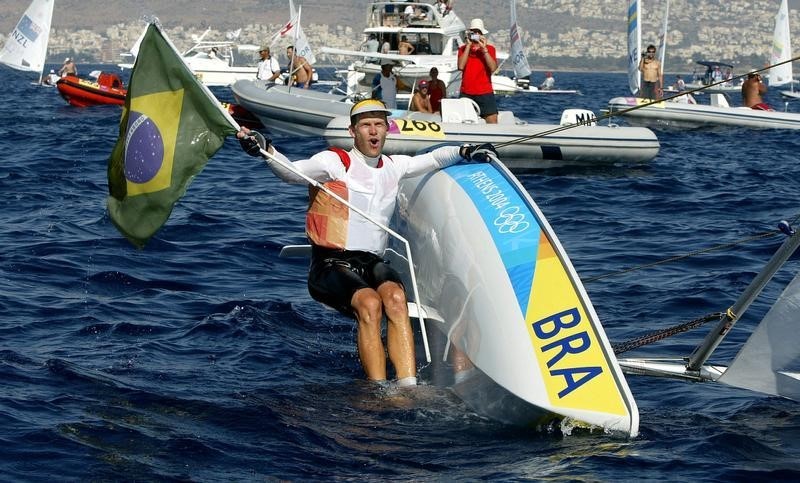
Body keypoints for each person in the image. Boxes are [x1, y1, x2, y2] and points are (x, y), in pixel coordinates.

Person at [236, 99, 496, 387]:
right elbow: (291, 171)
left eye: (379, 124)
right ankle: (379, 389)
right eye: (366, 125)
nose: (373, 131)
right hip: (330, 263)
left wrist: (465, 151)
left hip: (371, 262)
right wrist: (266, 150)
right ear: (352, 131)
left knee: (397, 300)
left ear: (387, 130)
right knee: (370, 303)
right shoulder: (334, 162)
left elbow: (435, 158)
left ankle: (408, 388)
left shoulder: (395, 166)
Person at [457, 18, 499, 123]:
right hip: (467, 92)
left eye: (478, 32)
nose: (475, 34)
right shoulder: (463, 49)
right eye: (473, 32)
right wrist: (468, 46)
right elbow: (461, 66)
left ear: (482, 34)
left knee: (493, 121)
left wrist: (484, 49)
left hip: (485, 92)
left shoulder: (490, 49)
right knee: (464, 121)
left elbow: (493, 68)